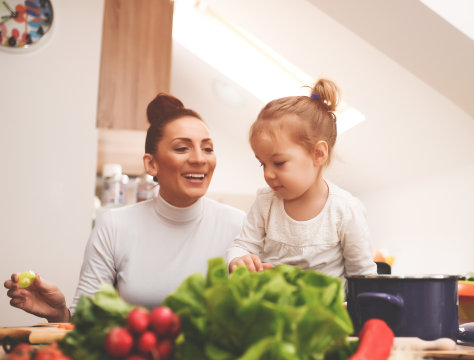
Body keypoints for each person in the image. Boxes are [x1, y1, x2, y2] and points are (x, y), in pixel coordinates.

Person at [5, 93, 245, 322]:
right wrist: (59, 314)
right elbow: (86, 321)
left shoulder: (240, 226)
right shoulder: (115, 225)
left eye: (208, 148)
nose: (200, 159)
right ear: (151, 164)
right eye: (182, 148)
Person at [226, 79, 377, 281]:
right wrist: (239, 258)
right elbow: (242, 245)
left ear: (318, 154)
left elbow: (363, 275)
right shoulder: (265, 202)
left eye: (278, 163)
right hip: (273, 307)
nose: (268, 174)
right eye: (263, 164)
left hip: (326, 311)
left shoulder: (345, 209)